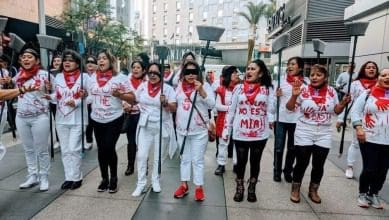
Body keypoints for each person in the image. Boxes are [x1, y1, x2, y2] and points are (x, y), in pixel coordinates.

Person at [286, 64, 350, 204]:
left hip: (324, 132)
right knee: (302, 162)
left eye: (318, 75)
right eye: (312, 75)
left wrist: (343, 103)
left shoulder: (331, 91)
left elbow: (336, 111)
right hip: (305, 131)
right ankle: (295, 188)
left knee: (318, 164)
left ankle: (313, 190)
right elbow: (290, 108)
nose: (314, 77)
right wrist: (294, 95)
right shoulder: (302, 89)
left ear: (325, 77)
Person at [222, 59, 274, 203]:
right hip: (241, 132)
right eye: (248, 69)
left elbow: (270, 109)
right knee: (241, 162)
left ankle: (252, 187)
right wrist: (227, 129)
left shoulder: (268, 89)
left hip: (260, 133)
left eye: (253, 69)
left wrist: (271, 120)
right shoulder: (238, 88)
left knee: (255, 162)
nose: (248, 71)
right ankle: (239, 188)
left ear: (261, 73)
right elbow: (231, 111)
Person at [88, 49, 133, 193]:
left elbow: (133, 97)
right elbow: (88, 96)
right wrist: (82, 95)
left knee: (108, 147)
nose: (101, 61)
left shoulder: (120, 78)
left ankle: (113, 178)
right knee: (101, 150)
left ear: (111, 61)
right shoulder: (91, 78)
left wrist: (120, 95)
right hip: (96, 118)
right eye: (99, 58)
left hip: (114, 118)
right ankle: (104, 178)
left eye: (104, 58)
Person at [43, 49, 89, 190]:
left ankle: (77, 177)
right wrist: (49, 95)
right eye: (65, 60)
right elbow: (58, 96)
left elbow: (89, 96)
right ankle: (68, 177)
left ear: (77, 63)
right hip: (61, 118)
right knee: (65, 150)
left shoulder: (84, 77)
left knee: (74, 148)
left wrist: (78, 100)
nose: (67, 63)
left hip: (77, 119)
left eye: (71, 60)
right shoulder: (58, 78)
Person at [132, 62, 177, 196]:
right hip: (145, 126)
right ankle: (140, 183)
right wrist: (128, 104)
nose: (152, 75)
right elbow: (135, 100)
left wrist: (165, 103)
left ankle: (155, 180)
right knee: (141, 155)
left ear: (161, 74)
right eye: (150, 72)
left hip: (162, 127)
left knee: (158, 157)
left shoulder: (168, 89)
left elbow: (174, 108)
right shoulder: (143, 86)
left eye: (155, 72)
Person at [173, 60, 215, 201]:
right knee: (184, 159)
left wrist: (202, 92)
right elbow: (174, 105)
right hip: (181, 130)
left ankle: (198, 187)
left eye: (194, 72)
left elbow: (212, 105)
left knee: (197, 160)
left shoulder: (205, 86)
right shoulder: (178, 87)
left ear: (198, 73)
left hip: (199, 131)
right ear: (183, 74)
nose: (191, 75)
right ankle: (184, 185)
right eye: (187, 72)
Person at [14, 44, 53, 191]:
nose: (26, 59)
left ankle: (44, 176)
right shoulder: (18, 75)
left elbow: (56, 91)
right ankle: (33, 175)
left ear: (37, 61)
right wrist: (6, 82)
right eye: (23, 57)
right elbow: (11, 88)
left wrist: (50, 88)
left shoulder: (45, 75)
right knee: (28, 149)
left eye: (29, 57)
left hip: (40, 117)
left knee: (41, 149)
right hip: (21, 117)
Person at [351, 68, 389, 209]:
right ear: (378, 77)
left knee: (383, 170)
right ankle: (362, 193)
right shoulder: (368, 94)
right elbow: (355, 111)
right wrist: (358, 128)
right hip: (369, 138)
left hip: (388, 141)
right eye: (384, 75)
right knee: (370, 168)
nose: (387, 78)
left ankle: (373, 193)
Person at [336, 61, 379, 179]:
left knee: (374, 146)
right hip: (358, 119)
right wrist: (341, 118)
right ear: (363, 70)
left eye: (373, 67)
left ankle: (370, 169)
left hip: (376, 120)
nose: (371, 69)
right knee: (356, 143)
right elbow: (348, 103)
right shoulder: (356, 84)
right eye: (368, 67)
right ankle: (350, 166)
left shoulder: (380, 84)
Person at [273, 57, 307, 182]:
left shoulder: (306, 84)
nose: (290, 66)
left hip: (297, 121)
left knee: (293, 148)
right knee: (278, 147)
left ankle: (288, 171)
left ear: (300, 68)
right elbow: (272, 105)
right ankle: (276, 171)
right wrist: (277, 97)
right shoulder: (279, 82)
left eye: (293, 64)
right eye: (288, 64)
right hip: (281, 119)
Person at [214, 65, 240, 175]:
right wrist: (232, 108)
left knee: (237, 143)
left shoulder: (240, 88)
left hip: (238, 119)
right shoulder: (221, 89)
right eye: (234, 73)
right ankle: (221, 164)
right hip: (224, 120)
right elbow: (218, 106)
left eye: (236, 73)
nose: (237, 75)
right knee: (223, 143)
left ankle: (236, 163)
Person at [123, 61, 145, 176]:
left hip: (142, 115)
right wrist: (125, 104)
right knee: (131, 142)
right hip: (130, 116)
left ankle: (143, 166)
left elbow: (147, 100)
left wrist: (134, 106)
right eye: (134, 67)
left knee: (142, 143)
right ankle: (130, 165)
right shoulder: (126, 81)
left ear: (143, 70)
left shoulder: (146, 82)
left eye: (138, 67)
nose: (135, 69)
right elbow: (122, 94)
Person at [84, 55, 97, 150]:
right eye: (88, 61)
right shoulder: (82, 75)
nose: (90, 63)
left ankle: (99, 141)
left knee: (95, 123)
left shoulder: (99, 75)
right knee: (87, 123)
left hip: (96, 103)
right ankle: (88, 140)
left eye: (92, 62)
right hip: (85, 103)